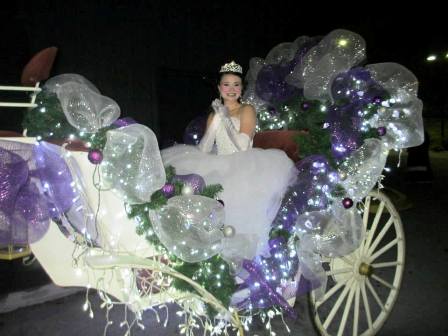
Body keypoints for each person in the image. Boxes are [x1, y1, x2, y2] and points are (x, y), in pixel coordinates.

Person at [161, 61, 297, 261]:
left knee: (236, 204)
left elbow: (242, 146)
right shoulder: (215, 114)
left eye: (236, 84)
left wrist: (225, 119)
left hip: (244, 163)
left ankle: (243, 258)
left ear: (241, 88)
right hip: (218, 160)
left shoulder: (247, 110)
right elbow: (205, 148)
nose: (231, 89)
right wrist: (216, 120)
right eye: (226, 84)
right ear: (219, 88)